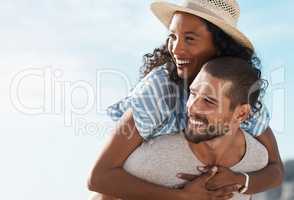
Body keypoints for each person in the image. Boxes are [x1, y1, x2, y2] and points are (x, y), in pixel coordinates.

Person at [88, 0, 284, 199]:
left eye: (189, 39)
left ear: (220, 45)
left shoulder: (238, 91)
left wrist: (240, 181)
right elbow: (98, 177)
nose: (176, 49)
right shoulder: (159, 90)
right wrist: (182, 197)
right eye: (173, 36)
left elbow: (276, 169)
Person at [119, 57, 270, 200]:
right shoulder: (152, 157)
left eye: (209, 101)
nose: (192, 107)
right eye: (193, 93)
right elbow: (104, 194)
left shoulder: (256, 161)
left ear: (241, 113)